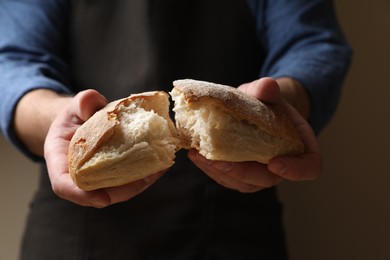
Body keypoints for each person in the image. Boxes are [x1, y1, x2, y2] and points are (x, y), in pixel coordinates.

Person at [0, 0, 352, 259]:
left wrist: (279, 104)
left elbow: (312, 44)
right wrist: (66, 117)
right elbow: (11, 63)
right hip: (78, 228)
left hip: (234, 222)